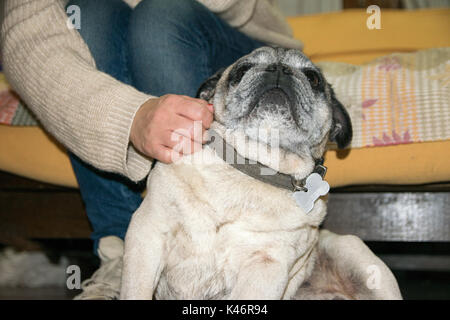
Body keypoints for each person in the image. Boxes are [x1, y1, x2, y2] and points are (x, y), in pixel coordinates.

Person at [1, 0, 302, 299]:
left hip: (229, 32)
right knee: (87, 14)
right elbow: (27, 35)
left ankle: (209, 253)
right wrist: (131, 117)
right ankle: (120, 253)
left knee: (160, 15)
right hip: (103, 27)